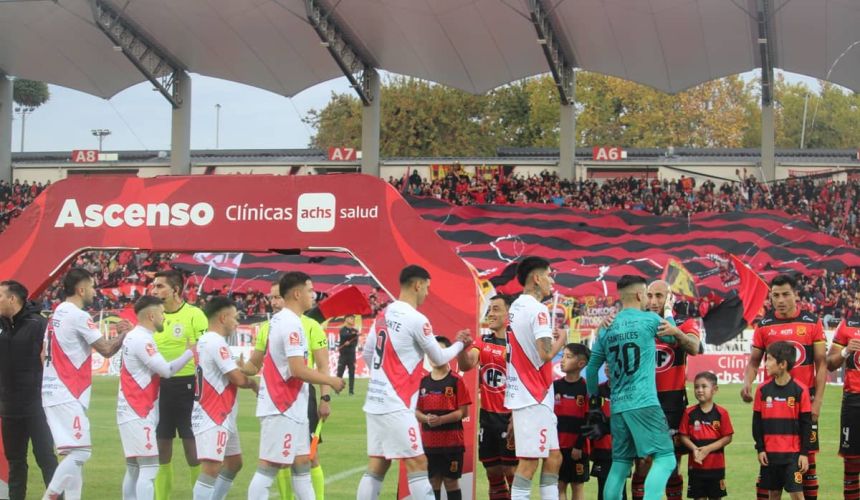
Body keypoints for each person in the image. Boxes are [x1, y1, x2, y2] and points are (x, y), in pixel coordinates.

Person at [356, 264, 471, 500]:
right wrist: (460, 344)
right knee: (418, 462)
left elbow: (368, 353)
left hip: (376, 402)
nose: (427, 293)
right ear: (418, 284)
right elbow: (438, 357)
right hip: (396, 404)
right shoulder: (417, 319)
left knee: (378, 464)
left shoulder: (383, 314)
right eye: (427, 287)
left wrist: (382, 377)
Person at [247, 271, 344, 500]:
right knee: (268, 467)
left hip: (294, 407)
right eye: (310, 291)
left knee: (302, 463)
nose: (314, 295)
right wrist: (330, 380)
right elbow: (297, 370)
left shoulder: (285, 321)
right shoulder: (291, 324)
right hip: (282, 406)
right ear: (298, 293)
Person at [584, 274, 676, 500]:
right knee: (666, 458)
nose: (648, 299)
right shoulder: (649, 320)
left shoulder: (607, 327)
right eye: (646, 294)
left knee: (620, 465)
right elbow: (673, 337)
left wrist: (595, 404)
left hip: (618, 406)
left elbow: (592, 369)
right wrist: (670, 310)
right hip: (644, 402)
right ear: (639, 294)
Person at [41, 267, 126, 500]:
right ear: (80, 289)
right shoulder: (78, 315)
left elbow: (42, 354)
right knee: (81, 453)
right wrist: (125, 333)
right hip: (67, 391)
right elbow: (107, 350)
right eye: (91, 286)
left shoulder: (57, 312)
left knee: (73, 457)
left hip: (53, 390)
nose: (94, 291)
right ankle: (49, 496)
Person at [741, 274, 826, 500]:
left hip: (803, 406)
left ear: (796, 295)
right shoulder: (764, 325)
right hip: (773, 408)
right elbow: (753, 362)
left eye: (785, 294)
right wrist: (747, 382)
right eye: (775, 295)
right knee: (768, 460)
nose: (780, 300)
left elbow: (822, 364)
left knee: (807, 462)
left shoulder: (812, 322)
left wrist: (817, 403)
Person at [118, 296, 194, 500]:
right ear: (151, 315)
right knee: (149, 468)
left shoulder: (134, 336)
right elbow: (166, 370)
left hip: (131, 410)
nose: (164, 318)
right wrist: (190, 353)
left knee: (134, 468)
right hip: (138, 410)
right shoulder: (142, 339)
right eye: (161, 313)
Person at [632, 280, 701, 500]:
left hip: (672, 402)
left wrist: (677, 333)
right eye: (650, 295)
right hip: (642, 399)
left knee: (671, 461)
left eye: (659, 296)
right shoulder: (637, 321)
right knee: (642, 461)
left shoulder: (684, 322)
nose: (653, 301)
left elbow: (694, 348)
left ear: (670, 298)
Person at [505, 256, 566, 500]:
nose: (552, 281)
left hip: (530, 392)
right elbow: (545, 353)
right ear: (537, 278)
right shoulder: (538, 310)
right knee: (529, 462)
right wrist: (561, 338)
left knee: (554, 457)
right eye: (549, 275)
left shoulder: (517, 306)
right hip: (534, 394)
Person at [191, 296, 258, 500]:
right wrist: (253, 383)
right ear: (222, 317)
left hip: (222, 413)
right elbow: (237, 379)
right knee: (212, 467)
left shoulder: (206, 340)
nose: (237, 322)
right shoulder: (215, 342)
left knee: (234, 462)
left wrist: (237, 368)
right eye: (235, 317)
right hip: (213, 414)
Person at [150, 269, 209, 500]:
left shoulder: (195, 315)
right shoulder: (153, 316)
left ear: (175, 290)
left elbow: (205, 351)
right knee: (162, 449)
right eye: (154, 286)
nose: (154, 290)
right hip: (159, 387)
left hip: (188, 387)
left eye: (160, 286)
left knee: (192, 450)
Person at [0, 280, 58, 500]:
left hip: (37, 405)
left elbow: (52, 362)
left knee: (46, 459)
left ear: (12, 299)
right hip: (9, 407)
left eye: (0, 296)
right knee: (15, 461)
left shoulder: (38, 324)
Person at [457, 294, 517, 499]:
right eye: (490, 309)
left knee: (512, 472)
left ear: (509, 314)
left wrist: (517, 416)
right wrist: (462, 349)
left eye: (496, 309)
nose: (491, 313)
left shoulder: (517, 343)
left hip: (510, 417)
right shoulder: (483, 341)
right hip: (488, 418)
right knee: (493, 473)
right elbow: (466, 364)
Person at [752, 342, 812, 500]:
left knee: (798, 495)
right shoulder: (762, 390)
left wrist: (804, 453)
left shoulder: (800, 390)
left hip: (792, 456)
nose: (766, 364)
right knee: (774, 494)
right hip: (770, 455)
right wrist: (760, 449)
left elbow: (807, 425)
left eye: (770, 359)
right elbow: (757, 423)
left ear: (783, 364)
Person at [415, 335, 472, 500]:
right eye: (431, 352)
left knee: (451, 481)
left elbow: (463, 412)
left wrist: (441, 420)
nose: (434, 356)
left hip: (451, 444)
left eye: (439, 351)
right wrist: (426, 419)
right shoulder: (422, 382)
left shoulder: (457, 381)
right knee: (432, 482)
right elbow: (416, 411)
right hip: (429, 444)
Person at [678, 372, 733, 500]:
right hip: (696, 469)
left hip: (716, 469)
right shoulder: (689, 413)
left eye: (704, 386)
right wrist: (694, 449)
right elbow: (683, 436)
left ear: (715, 390)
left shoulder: (721, 413)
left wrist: (708, 449)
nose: (699, 390)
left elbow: (727, 437)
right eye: (696, 387)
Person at [826, 317, 860, 500]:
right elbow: (830, 363)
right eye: (857, 299)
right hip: (854, 401)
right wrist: (846, 351)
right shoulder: (847, 325)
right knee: (852, 461)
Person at [553, 343, 591, 500]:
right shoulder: (554, 386)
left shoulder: (586, 388)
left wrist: (579, 445)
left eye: (567, 357)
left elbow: (589, 420)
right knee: (559, 485)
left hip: (577, 448)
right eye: (562, 356)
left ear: (581, 364)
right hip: (557, 446)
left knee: (577, 486)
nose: (562, 360)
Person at [589, 365, 626, 500]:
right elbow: (593, 419)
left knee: (620, 489)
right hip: (602, 449)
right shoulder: (598, 390)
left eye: (612, 364)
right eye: (606, 366)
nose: (608, 368)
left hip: (622, 449)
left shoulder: (626, 391)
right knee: (603, 489)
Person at [337, 315, 359, 396]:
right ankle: (337, 390)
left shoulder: (355, 331)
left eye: (353, 319)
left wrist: (350, 343)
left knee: (352, 373)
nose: (353, 320)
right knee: (340, 373)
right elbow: (344, 336)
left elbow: (355, 342)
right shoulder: (342, 330)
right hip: (343, 355)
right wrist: (352, 336)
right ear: (346, 319)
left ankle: (351, 391)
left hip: (351, 355)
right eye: (351, 318)